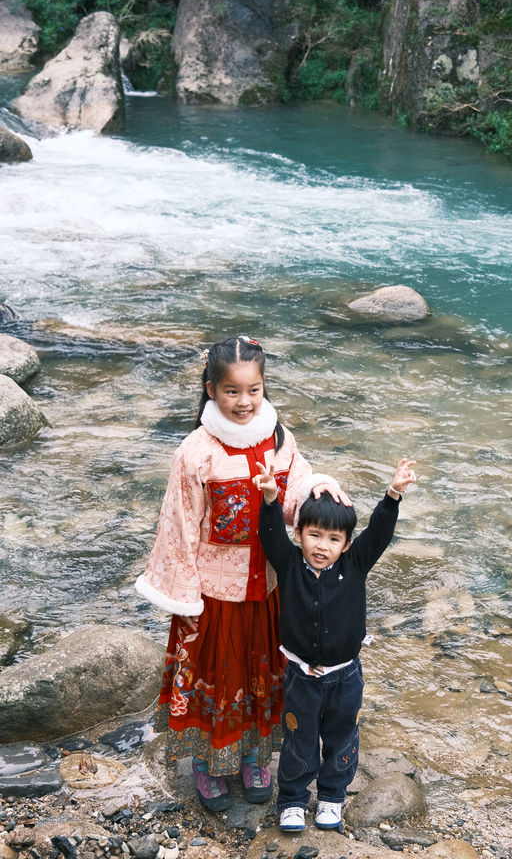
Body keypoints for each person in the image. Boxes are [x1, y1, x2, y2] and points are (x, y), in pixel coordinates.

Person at [135, 336, 344, 813]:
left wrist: (320, 484)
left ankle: (253, 756)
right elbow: (179, 526)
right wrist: (185, 596)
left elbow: (296, 498)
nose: (244, 402)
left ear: (264, 387)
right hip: (214, 593)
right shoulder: (196, 452)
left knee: (262, 673)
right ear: (211, 389)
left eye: (253, 390)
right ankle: (207, 763)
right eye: (232, 391)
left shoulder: (279, 440)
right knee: (215, 675)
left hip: (269, 586)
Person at [254, 456, 416, 831]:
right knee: (298, 738)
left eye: (333, 539)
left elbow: (378, 533)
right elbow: (270, 534)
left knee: (342, 739)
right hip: (300, 675)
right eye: (314, 535)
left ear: (346, 544)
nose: (322, 546)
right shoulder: (290, 564)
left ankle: (331, 797)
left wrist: (392, 494)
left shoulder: (355, 564)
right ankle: (293, 800)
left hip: (345, 676)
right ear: (300, 534)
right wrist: (269, 499)